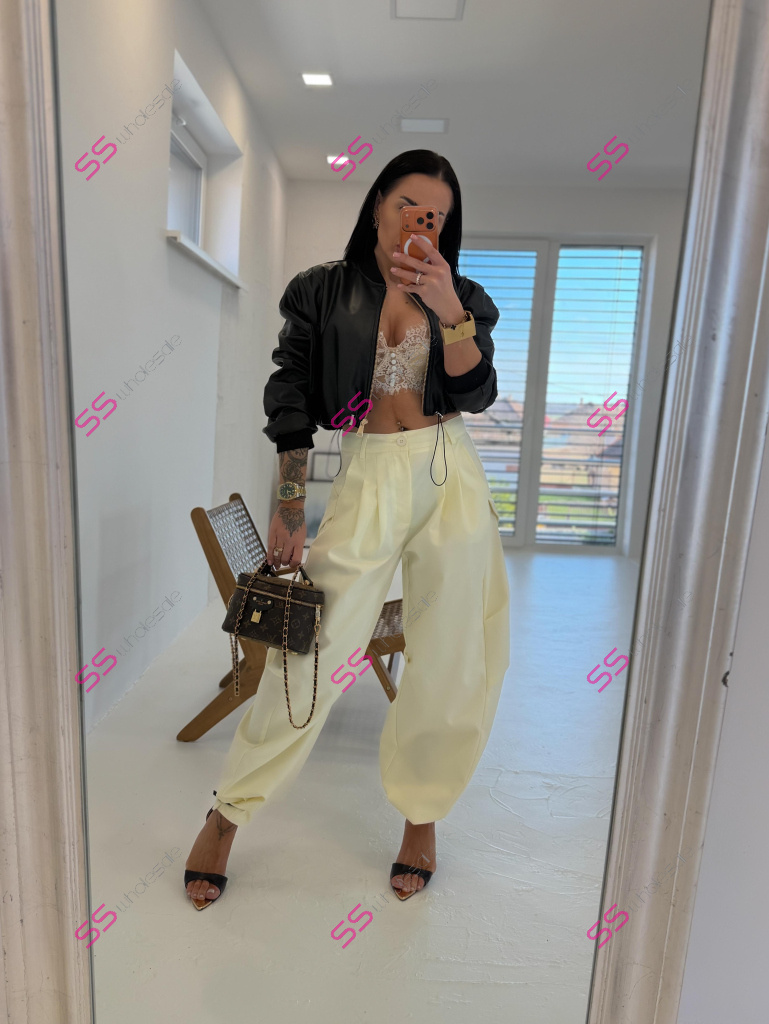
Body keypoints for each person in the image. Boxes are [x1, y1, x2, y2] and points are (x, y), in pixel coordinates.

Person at [184, 149, 510, 910]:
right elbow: (292, 390)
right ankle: (228, 812)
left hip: (449, 473)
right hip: (369, 471)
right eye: (408, 205)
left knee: (452, 651)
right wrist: (290, 502)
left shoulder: (463, 295)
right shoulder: (321, 290)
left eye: (436, 215)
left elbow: (477, 391)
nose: (420, 223)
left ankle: (421, 816)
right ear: (376, 205)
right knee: (314, 645)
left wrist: (446, 306)